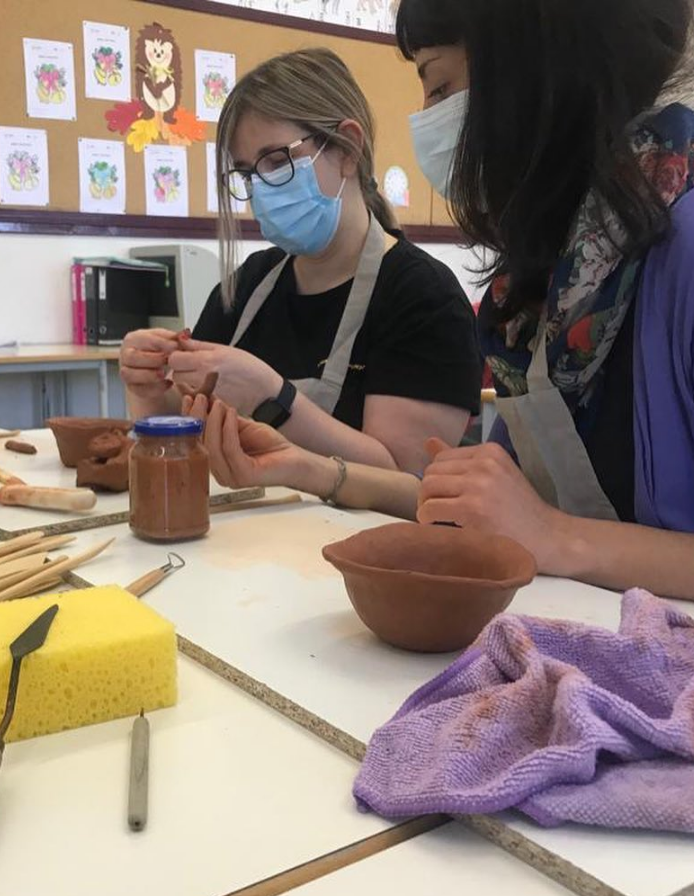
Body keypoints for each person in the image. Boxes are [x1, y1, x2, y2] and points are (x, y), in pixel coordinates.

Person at [187, 0, 694, 600]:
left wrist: (557, 536)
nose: (429, 121)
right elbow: (466, 501)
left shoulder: (677, 252)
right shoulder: (552, 283)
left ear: (536, 68)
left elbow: (540, 525)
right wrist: (305, 467)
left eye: (441, 86)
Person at [121, 48, 482, 474]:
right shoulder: (247, 286)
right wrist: (149, 389)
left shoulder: (423, 297)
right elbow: (185, 436)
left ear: (347, 149)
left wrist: (273, 397)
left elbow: (406, 480)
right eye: (247, 173)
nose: (261, 187)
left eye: (277, 161)